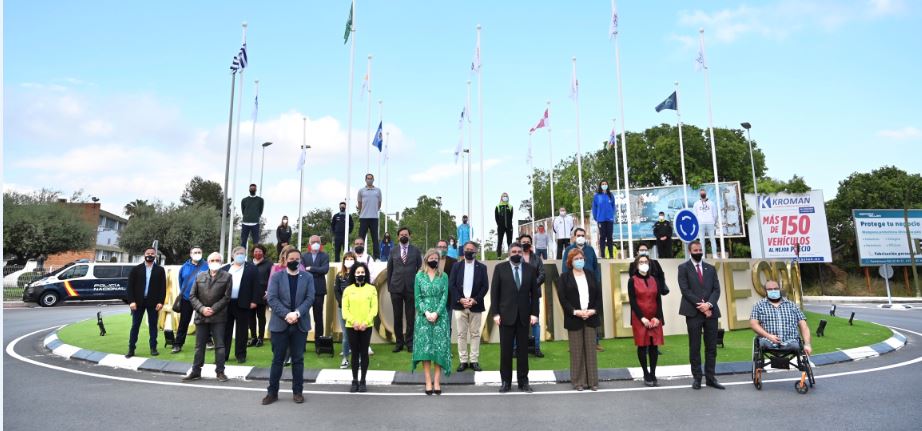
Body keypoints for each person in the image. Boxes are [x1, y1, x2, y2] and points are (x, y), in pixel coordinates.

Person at [263, 248, 315, 405]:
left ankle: (298, 392)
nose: (294, 261)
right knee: (277, 360)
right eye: (291, 258)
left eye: (297, 258)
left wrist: (297, 314)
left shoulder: (308, 277)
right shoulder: (277, 277)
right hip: (280, 324)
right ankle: (272, 393)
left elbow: (310, 297)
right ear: (284, 260)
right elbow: (272, 298)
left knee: (298, 360)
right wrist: (287, 314)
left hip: (300, 324)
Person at [489, 242, 540, 393]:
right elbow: (494, 294)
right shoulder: (500, 269)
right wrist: (496, 314)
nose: (516, 254)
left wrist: (534, 314)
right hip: (505, 317)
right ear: (509, 253)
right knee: (505, 351)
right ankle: (506, 382)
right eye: (514, 252)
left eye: (519, 252)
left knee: (523, 351)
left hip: (524, 317)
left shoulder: (530, 269)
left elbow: (535, 294)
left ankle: (523, 382)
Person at [678, 240, 724, 390]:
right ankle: (697, 378)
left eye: (700, 250)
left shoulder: (710, 268)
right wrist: (703, 307)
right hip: (693, 313)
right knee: (695, 346)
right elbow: (685, 290)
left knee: (711, 347)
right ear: (690, 251)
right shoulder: (683, 268)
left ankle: (711, 378)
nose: (698, 252)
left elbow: (716, 290)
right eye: (695, 250)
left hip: (711, 312)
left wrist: (709, 305)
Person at [557, 248, 602, 391]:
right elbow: (562, 298)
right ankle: (578, 382)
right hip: (574, 318)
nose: (579, 261)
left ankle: (592, 382)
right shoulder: (564, 277)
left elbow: (598, 296)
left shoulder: (590, 274)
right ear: (570, 262)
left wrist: (593, 310)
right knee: (577, 352)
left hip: (590, 317)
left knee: (590, 350)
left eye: (581, 258)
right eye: (576, 259)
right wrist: (575, 312)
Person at [184, 252, 232, 382]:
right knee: (199, 346)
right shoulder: (199, 276)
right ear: (208, 262)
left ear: (221, 262)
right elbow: (192, 296)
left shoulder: (227, 276)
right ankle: (196, 371)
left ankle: (220, 372)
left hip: (219, 317)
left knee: (220, 346)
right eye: (212, 260)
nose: (215, 262)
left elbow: (226, 297)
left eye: (217, 260)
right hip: (201, 315)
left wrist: (213, 309)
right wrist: (202, 309)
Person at [412, 249, 452, 395]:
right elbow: (417, 297)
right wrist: (426, 312)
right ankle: (428, 381)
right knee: (426, 350)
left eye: (436, 258)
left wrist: (436, 312)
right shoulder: (419, 276)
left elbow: (444, 296)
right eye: (431, 257)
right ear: (426, 259)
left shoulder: (444, 276)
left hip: (440, 318)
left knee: (439, 349)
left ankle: (437, 381)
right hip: (423, 318)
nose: (434, 260)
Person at [562, 228, 604, 352]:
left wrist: (595, 282)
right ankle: (574, 344)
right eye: (578, 235)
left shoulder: (590, 250)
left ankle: (594, 342)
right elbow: (565, 267)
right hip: (574, 287)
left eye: (582, 235)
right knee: (575, 314)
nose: (580, 237)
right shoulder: (569, 250)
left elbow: (596, 267)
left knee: (591, 314)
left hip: (590, 286)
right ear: (574, 237)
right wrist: (567, 283)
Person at [449, 241, 489, 372]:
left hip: (475, 305)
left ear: (476, 252)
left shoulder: (482, 268)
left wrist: (474, 300)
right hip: (459, 305)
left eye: (471, 249)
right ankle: (463, 361)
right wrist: (460, 299)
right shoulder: (456, 266)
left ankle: (474, 361)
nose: (469, 251)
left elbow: (485, 286)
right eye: (467, 249)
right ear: (463, 250)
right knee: (461, 334)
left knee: (475, 334)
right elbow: (452, 285)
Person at [628, 254, 665, 387]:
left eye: (646, 262)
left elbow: (658, 300)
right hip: (640, 318)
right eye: (641, 262)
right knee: (642, 345)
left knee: (654, 345)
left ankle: (653, 373)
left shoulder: (654, 279)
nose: (644, 264)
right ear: (637, 265)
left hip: (654, 316)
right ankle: (646, 373)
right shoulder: (632, 280)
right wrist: (642, 318)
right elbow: (632, 301)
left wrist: (657, 317)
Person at [342, 262, 378, 392]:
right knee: (355, 353)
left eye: (362, 272)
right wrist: (354, 322)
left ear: (366, 274)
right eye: (358, 273)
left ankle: (363, 380)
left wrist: (365, 322)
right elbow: (345, 310)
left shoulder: (372, 289)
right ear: (354, 274)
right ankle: (354, 380)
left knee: (364, 353)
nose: (360, 275)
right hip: (352, 326)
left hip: (366, 326)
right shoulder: (348, 290)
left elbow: (374, 308)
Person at [750, 280, 812, 356]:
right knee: (762, 343)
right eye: (770, 289)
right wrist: (768, 336)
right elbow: (753, 324)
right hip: (767, 341)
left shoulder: (792, 305)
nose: (773, 291)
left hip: (791, 342)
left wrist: (807, 344)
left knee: (797, 345)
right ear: (765, 291)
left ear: (780, 289)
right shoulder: (759, 305)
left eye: (775, 288)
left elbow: (803, 325)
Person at [387, 226, 422, 353]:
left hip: (411, 288)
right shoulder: (393, 251)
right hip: (395, 288)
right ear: (398, 237)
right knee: (397, 317)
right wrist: (390, 287)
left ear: (409, 236)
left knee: (410, 317)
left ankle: (410, 343)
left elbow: (420, 269)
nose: (403, 236)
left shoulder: (416, 251)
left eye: (406, 234)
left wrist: (418, 286)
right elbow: (389, 270)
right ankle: (399, 343)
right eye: (401, 234)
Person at [126, 247, 166, 357]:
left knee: (153, 326)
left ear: (155, 255)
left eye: (152, 253)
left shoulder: (160, 270)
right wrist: (131, 301)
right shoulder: (136, 269)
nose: (150, 255)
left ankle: (153, 347)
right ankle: (131, 348)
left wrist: (160, 302)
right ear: (144, 255)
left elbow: (163, 288)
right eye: (148, 253)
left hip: (153, 303)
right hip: (137, 303)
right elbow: (130, 287)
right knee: (135, 326)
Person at [221, 246, 258, 364]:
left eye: (243, 253)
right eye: (238, 253)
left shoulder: (251, 268)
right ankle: (224, 355)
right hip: (226, 303)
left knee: (242, 331)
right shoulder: (225, 268)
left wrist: (254, 301)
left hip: (243, 302)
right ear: (232, 255)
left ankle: (240, 354)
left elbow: (257, 285)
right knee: (225, 330)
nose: (240, 255)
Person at [174, 246, 207, 354]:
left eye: (199, 252)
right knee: (184, 322)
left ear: (202, 253)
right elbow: (181, 282)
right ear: (190, 254)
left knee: (204, 321)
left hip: (202, 299)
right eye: (195, 252)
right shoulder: (184, 267)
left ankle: (208, 341)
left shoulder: (207, 265)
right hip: (186, 299)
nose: (197, 253)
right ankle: (178, 344)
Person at [518, 234, 546, 357]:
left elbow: (542, 274)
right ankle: (515, 349)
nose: (525, 243)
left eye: (528, 241)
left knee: (535, 322)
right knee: (517, 322)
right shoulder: (516, 258)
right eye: (523, 241)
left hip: (534, 295)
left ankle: (537, 348)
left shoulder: (536, 258)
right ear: (519, 243)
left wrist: (532, 286)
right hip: (519, 296)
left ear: (531, 243)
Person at [301, 235, 330, 339]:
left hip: (319, 291)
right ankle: (302, 341)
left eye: (317, 241)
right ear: (309, 243)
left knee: (318, 317)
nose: (315, 243)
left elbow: (325, 270)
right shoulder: (304, 256)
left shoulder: (324, 255)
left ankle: (319, 341)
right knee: (303, 316)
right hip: (305, 291)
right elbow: (302, 271)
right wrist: (316, 270)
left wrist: (311, 268)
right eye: (313, 242)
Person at [334, 252, 357, 369]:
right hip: (342, 308)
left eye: (351, 259)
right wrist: (342, 303)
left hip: (356, 308)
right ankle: (345, 359)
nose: (349, 261)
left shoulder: (358, 274)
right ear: (343, 261)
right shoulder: (339, 275)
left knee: (356, 334)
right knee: (346, 334)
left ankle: (356, 359)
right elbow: (336, 291)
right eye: (347, 259)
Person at [249, 245, 272, 348]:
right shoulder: (248, 264)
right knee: (250, 317)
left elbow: (272, 278)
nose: (257, 253)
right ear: (253, 253)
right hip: (250, 294)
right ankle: (253, 337)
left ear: (263, 252)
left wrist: (269, 291)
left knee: (261, 317)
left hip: (262, 294)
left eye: (260, 251)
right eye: (256, 251)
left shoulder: (269, 264)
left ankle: (261, 338)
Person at [357, 173, 383, 260]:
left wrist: (373, 210)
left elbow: (379, 204)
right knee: (361, 238)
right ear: (365, 180)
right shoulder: (361, 191)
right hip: (363, 217)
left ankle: (377, 257)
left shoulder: (378, 191)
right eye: (368, 178)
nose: (369, 180)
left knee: (375, 238)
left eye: (371, 178)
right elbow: (360, 204)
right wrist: (364, 211)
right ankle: (359, 255)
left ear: (373, 179)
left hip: (374, 218)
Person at [592, 181, 616, 259]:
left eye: (605, 184)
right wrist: (596, 217)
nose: (604, 185)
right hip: (601, 219)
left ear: (607, 185)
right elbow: (594, 208)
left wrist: (612, 216)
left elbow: (613, 207)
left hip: (609, 219)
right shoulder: (597, 196)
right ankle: (603, 255)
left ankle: (611, 255)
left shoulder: (610, 195)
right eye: (603, 184)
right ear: (600, 185)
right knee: (602, 237)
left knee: (610, 237)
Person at [693, 189, 720, 259]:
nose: (702, 194)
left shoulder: (711, 203)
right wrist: (697, 222)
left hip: (710, 223)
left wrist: (713, 221)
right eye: (701, 193)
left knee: (712, 239)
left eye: (703, 193)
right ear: (699, 194)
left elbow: (715, 214)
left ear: (706, 193)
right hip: (700, 223)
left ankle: (714, 255)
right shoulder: (696, 204)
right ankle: (702, 256)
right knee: (701, 240)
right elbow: (695, 214)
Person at [240, 183, 265, 249]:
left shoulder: (260, 200)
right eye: (251, 188)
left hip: (255, 223)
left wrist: (255, 216)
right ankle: (242, 257)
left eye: (254, 188)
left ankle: (255, 257)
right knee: (243, 242)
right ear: (249, 189)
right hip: (245, 223)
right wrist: (247, 216)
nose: (252, 189)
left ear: (256, 189)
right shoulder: (244, 200)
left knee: (256, 243)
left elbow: (260, 210)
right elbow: (243, 210)